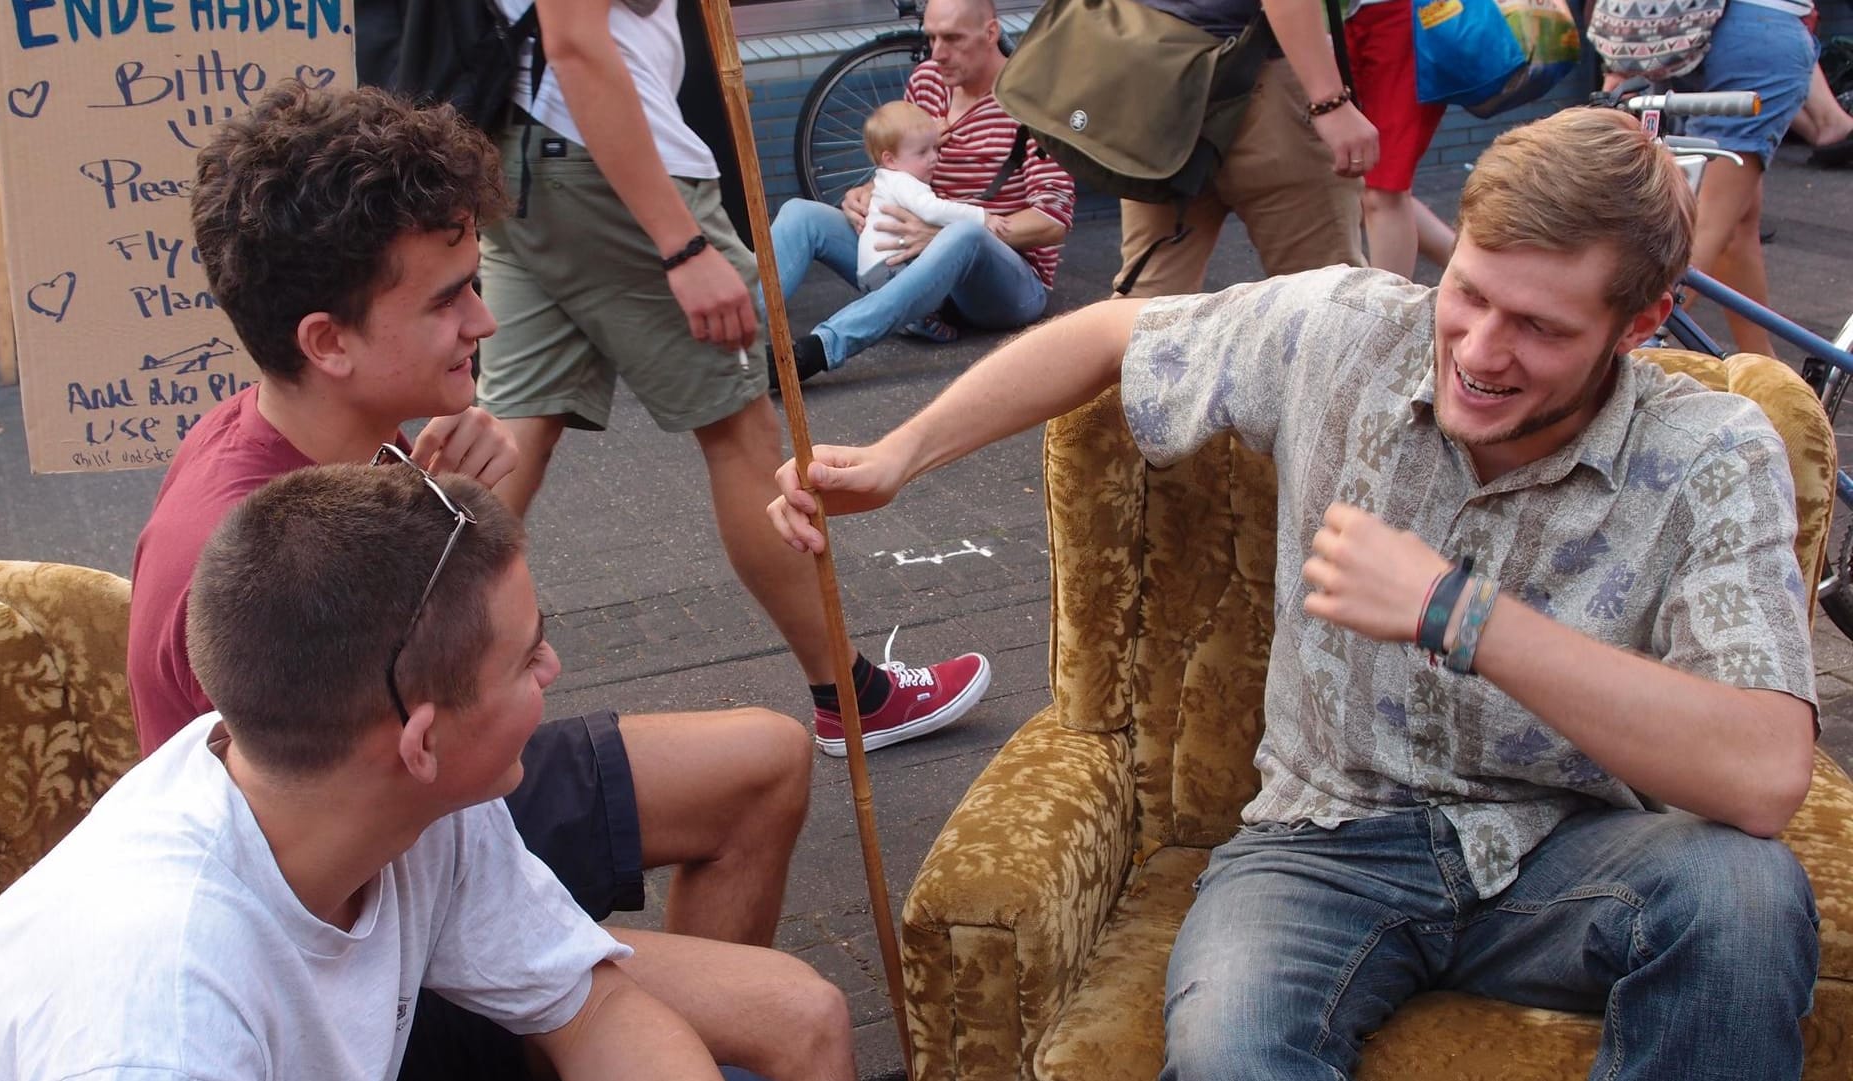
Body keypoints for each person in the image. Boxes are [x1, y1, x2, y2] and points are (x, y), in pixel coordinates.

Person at [770, 107, 1821, 1078]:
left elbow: (1765, 773)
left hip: (1567, 846)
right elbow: (1105, 333)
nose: (1481, 352)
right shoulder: (1346, 330)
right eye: (1471, 295)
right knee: (1230, 1042)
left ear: (1642, 325)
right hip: (1324, 841)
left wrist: (1461, 613)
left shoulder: (1712, 452)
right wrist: (900, 456)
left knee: (1743, 895)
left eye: (1541, 329)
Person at [128, 83, 850, 1081]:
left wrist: (442, 501)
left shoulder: (325, 431)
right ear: (326, 341)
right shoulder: (244, 550)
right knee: (797, 1017)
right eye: (447, 299)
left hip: (417, 805)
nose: (486, 321)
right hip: (360, 887)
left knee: (766, 759)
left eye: (476, 281)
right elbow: (338, 840)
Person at [0, 462, 751, 1080]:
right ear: (420, 742)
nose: (553, 666)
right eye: (528, 653)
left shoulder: (394, 792)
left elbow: (593, 1007)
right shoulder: (162, 1020)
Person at [477, 0, 991, 756]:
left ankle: (401, 697)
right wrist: (682, 246)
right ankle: (850, 696)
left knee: (508, 441)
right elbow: (580, 42)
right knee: (743, 442)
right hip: (608, 156)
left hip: (519, 158)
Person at [766, 0, 1076, 382]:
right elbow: (899, 163)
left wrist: (943, 237)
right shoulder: (928, 80)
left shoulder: (1035, 101)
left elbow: (1052, 221)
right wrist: (867, 192)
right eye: (931, 37)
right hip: (914, 264)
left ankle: (817, 351)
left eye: (952, 38)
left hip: (1005, 287)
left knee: (965, 233)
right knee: (802, 214)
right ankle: (728, 344)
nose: (937, 53)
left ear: (991, 33)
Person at [1110, 0, 1372, 298]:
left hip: (1162, 79)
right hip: (1262, 81)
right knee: (1323, 298)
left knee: (1150, 294)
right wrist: (1330, 102)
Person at [1603, 0, 1818, 356]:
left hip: (1684, 32)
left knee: (1731, 225)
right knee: (1708, 223)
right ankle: (1619, 354)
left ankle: (1762, 372)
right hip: (1758, 31)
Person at [856, 100, 1010, 301]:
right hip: (890, 267)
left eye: (934, 148)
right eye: (922, 152)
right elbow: (932, 210)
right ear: (890, 159)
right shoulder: (905, 182)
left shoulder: (886, 178)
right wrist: (982, 216)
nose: (934, 157)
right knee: (915, 301)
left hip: (870, 270)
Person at [1343, 0, 1448, 277]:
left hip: (1402, 17)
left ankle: (1386, 313)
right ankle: (1471, 268)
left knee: (1382, 187)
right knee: (1363, 186)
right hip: (1345, 19)